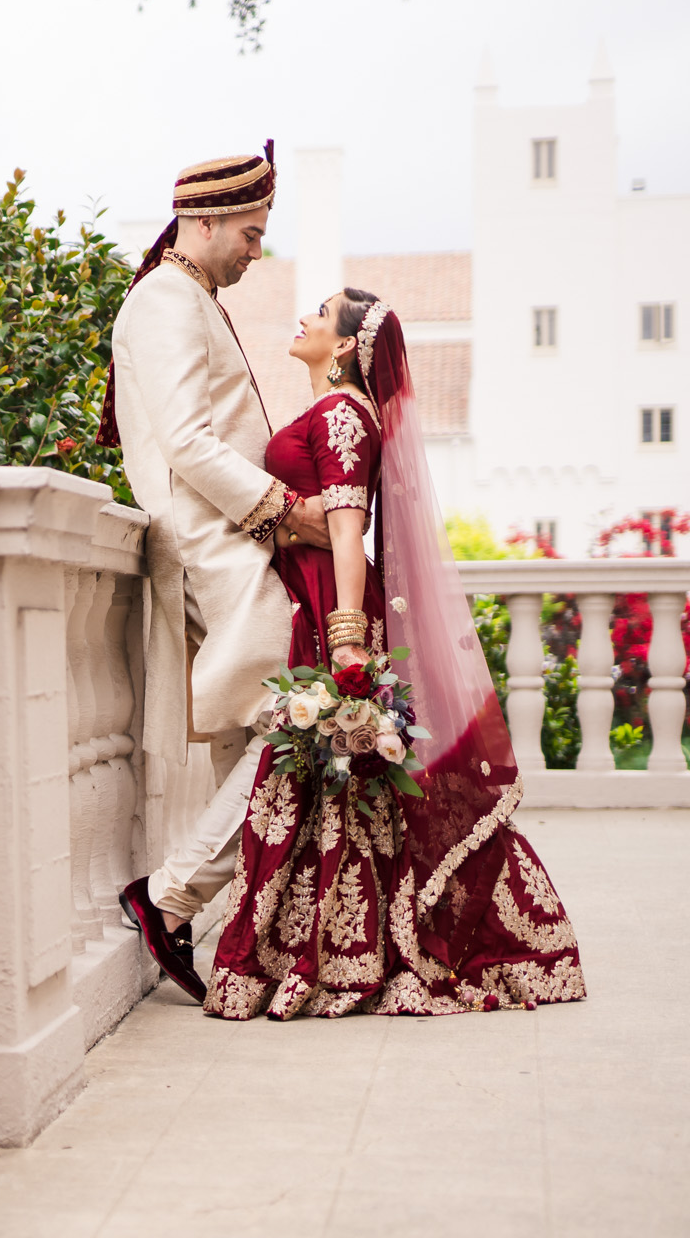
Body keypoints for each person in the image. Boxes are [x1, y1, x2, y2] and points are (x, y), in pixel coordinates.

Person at [203, 291, 587, 1019]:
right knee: (338, 791)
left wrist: (346, 637)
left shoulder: (343, 415)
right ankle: (331, 952)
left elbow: (348, 532)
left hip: (331, 606)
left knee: (342, 785)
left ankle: (346, 958)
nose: (306, 317)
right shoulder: (339, 411)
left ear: (346, 346)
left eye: (321, 312)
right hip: (314, 595)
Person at [99, 143, 334, 1001]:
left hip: (229, 546)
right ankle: (166, 899)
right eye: (250, 231)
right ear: (203, 220)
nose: (256, 250)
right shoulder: (166, 300)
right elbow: (191, 443)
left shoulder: (185, 295)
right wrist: (285, 511)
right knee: (302, 727)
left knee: (255, 738)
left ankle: (233, 931)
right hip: (217, 547)